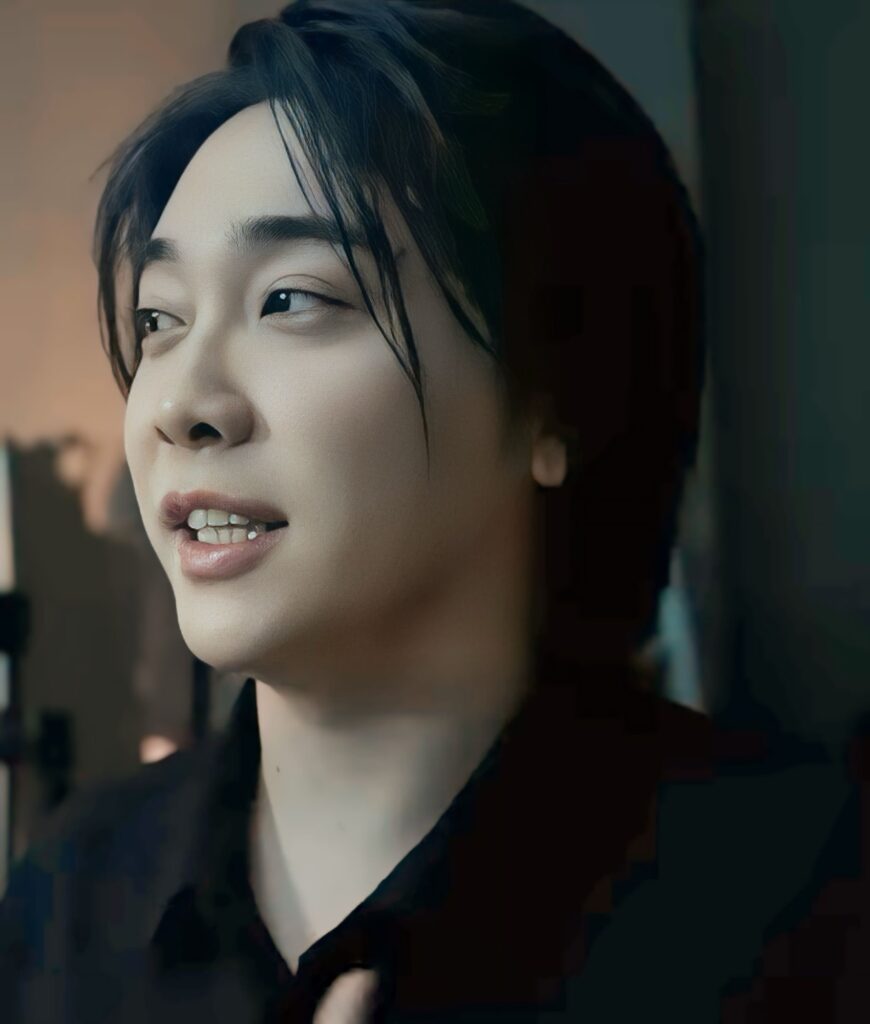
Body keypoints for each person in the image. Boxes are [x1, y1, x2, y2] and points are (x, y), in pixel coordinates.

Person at [0, 1, 793, 1021]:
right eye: (160, 318)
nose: (180, 404)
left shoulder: (803, 903)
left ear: (555, 394)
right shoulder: (63, 908)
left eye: (292, 298)